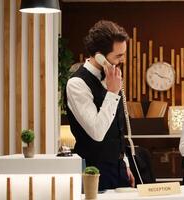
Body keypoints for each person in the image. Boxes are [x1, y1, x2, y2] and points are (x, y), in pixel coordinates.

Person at [65, 20, 135, 190]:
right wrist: (112, 93)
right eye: (118, 56)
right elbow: (97, 132)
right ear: (99, 56)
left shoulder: (110, 77)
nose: (123, 60)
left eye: (124, 54)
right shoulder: (77, 84)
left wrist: (124, 163)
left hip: (118, 169)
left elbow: (118, 128)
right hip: (93, 170)